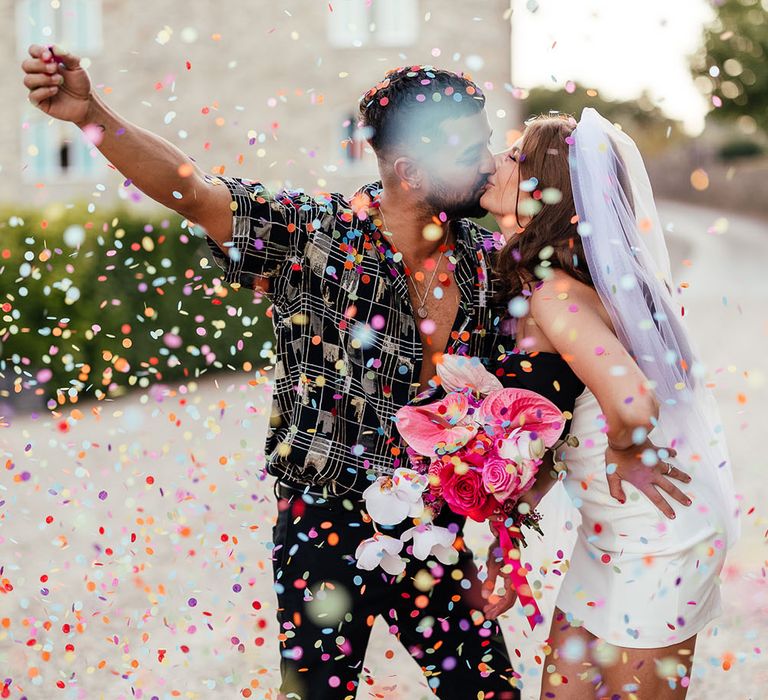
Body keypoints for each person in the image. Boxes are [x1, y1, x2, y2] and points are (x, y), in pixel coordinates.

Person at [21, 46, 523, 699]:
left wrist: (505, 550)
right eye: (468, 154)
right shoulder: (314, 235)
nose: (488, 163)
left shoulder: (489, 264)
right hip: (325, 527)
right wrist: (90, 112)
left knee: (492, 694)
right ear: (410, 170)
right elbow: (194, 189)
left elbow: (515, 416)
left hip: (437, 531)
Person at [478, 110, 739, 699]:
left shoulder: (556, 294)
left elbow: (633, 401)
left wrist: (626, 451)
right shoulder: (560, 281)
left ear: (550, 193)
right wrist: (513, 514)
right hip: (607, 531)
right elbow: (563, 420)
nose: (496, 161)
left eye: (517, 158)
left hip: (657, 531)